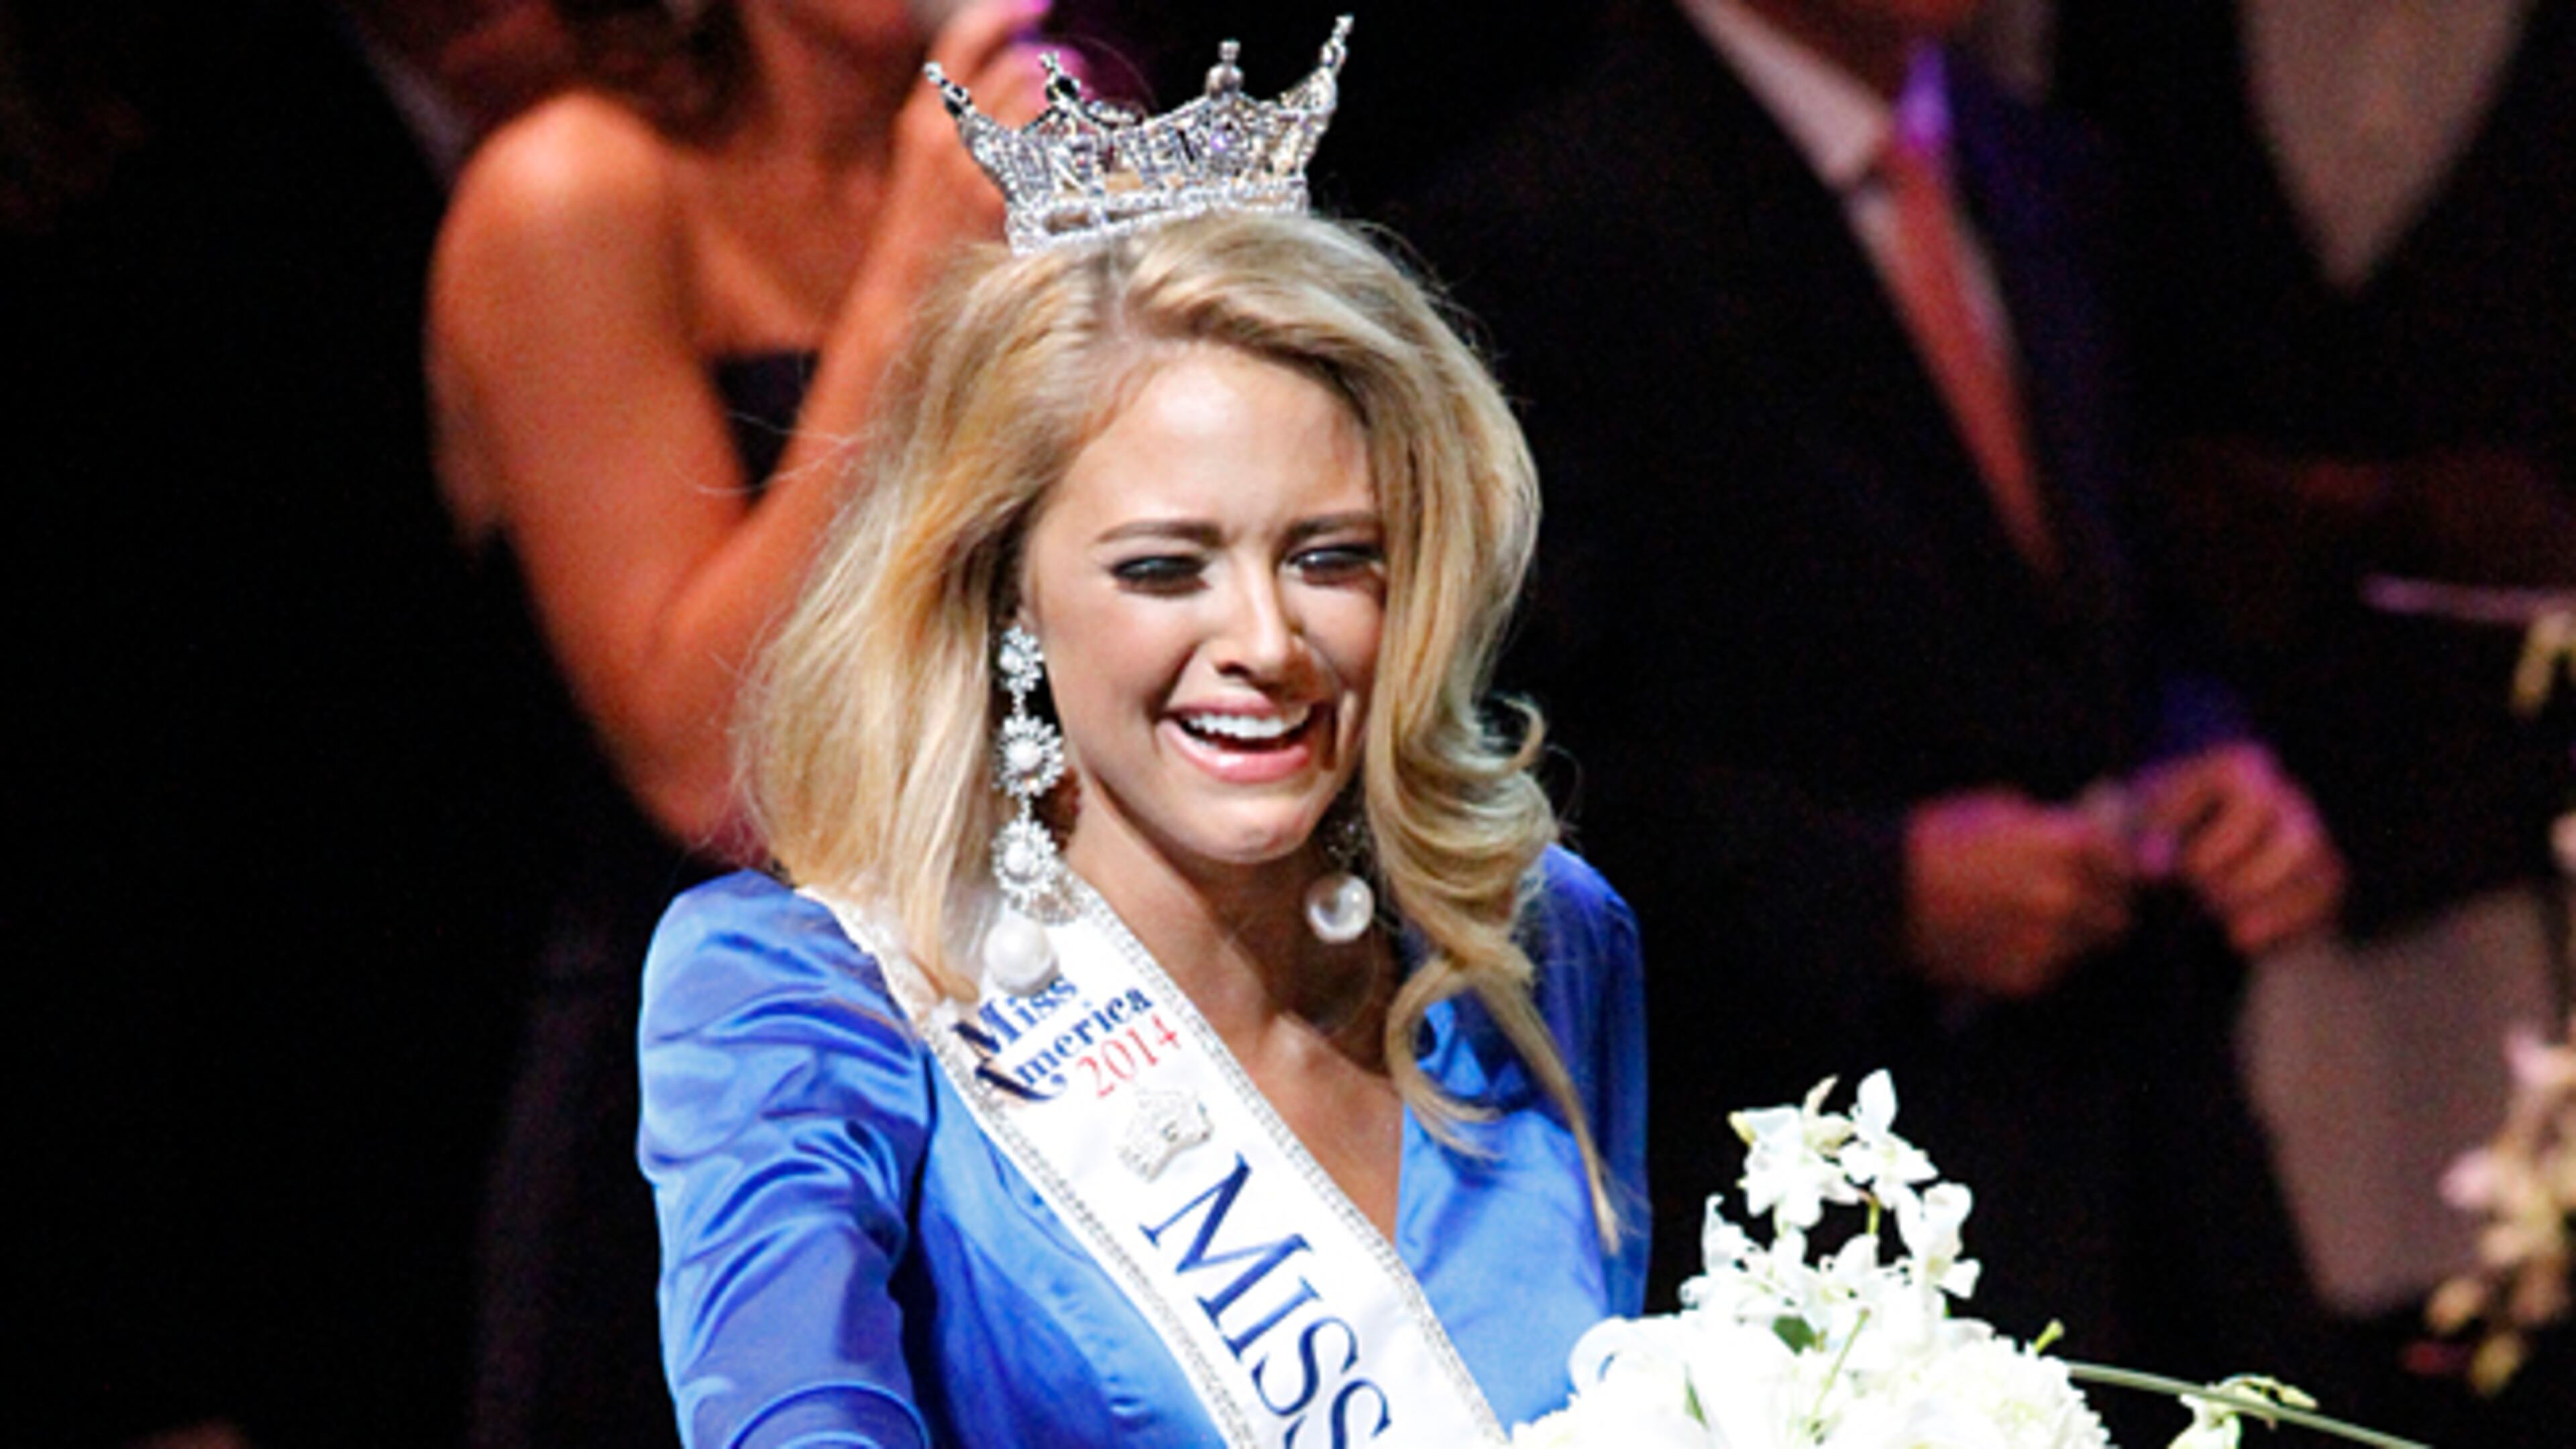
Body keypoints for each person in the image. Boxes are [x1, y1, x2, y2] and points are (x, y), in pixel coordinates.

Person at [635, 32, 1649, 1443]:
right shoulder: (819, 997)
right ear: (1006, 586)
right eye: (1166, 568)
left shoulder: (1532, 945)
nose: (1267, 641)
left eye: (1331, 555)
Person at [1395, 0, 2342, 1431]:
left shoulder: (2043, 169)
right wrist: (1873, 891)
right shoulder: (1540, 217)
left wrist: (2211, 753)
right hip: (1807, 1174)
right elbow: (1498, 748)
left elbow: (2127, 603)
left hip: (2159, 1153)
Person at [425, 1, 1051, 1440]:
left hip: (1026, 1058)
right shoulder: (573, 190)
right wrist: (912, 281)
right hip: (711, 1116)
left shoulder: (1021, 150)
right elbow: (708, 765)